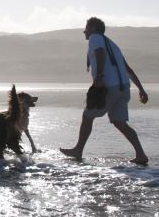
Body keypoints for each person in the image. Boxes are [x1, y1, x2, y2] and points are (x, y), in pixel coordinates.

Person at [60, 17, 149, 165]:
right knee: (120, 123)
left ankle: (78, 150)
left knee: (87, 115)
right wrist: (141, 89)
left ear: (93, 28)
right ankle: (141, 155)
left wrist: (99, 76)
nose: (84, 31)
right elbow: (128, 69)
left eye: (86, 28)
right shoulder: (113, 45)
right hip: (124, 87)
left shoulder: (95, 38)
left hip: (109, 86)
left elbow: (99, 53)